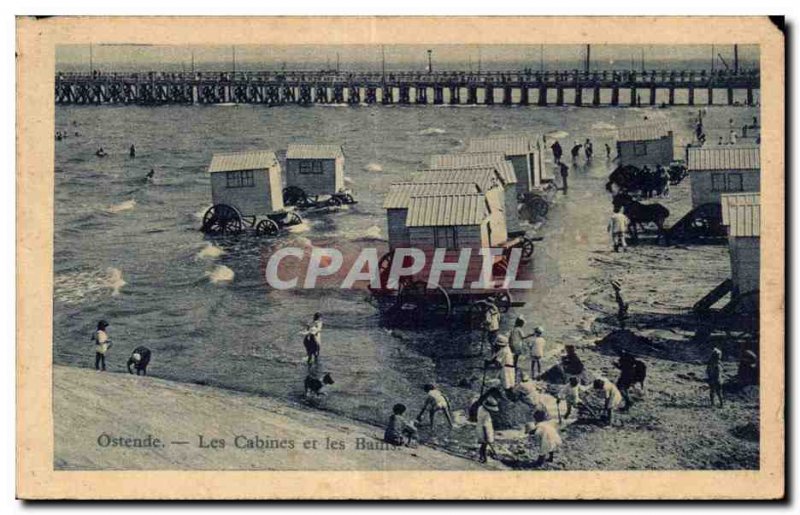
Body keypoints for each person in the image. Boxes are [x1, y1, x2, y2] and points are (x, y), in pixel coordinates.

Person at [476, 397, 499, 463]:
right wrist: (487, 437)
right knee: (484, 446)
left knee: (483, 445)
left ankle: (481, 457)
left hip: (479, 428)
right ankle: (484, 458)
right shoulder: (487, 414)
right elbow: (485, 426)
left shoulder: (480, 408)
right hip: (484, 431)